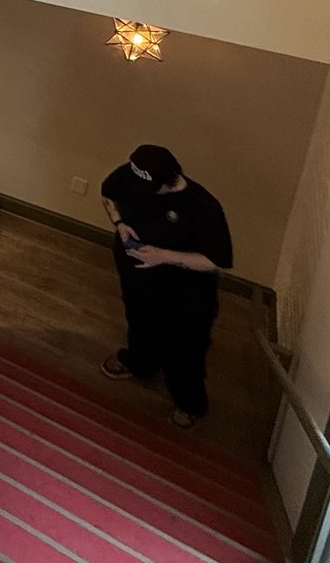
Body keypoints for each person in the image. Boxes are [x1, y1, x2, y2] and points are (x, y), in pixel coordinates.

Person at [98, 143, 233, 427]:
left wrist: (163, 256)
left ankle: (189, 404)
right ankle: (140, 363)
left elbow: (214, 260)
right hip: (137, 279)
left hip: (185, 295)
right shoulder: (132, 175)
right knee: (139, 323)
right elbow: (108, 193)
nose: (137, 192)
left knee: (185, 352)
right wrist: (119, 223)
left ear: (169, 181)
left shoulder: (203, 207)